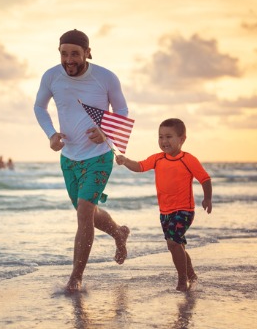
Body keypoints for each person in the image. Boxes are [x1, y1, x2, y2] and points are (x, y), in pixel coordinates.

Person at [34, 29, 130, 292]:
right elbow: (39, 107)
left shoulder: (105, 77)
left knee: (84, 213)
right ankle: (119, 233)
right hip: (69, 158)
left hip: (99, 157)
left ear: (87, 52)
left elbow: (122, 110)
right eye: (64, 53)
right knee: (86, 212)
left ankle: (76, 277)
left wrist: (106, 131)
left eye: (75, 53)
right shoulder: (51, 76)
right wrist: (51, 134)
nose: (69, 59)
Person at [115, 118, 213, 292]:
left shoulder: (188, 159)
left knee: (173, 243)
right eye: (160, 137)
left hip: (184, 210)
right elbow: (139, 166)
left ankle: (183, 281)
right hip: (165, 211)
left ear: (182, 139)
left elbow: (204, 179)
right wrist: (125, 160)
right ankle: (191, 275)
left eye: (169, 137)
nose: (164, 141)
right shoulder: (157, 158)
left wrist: (207, 198)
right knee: (176, 245)